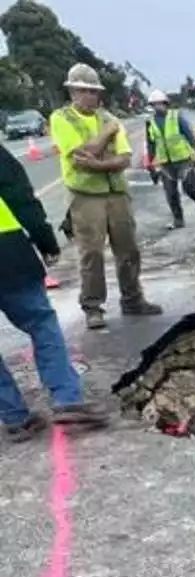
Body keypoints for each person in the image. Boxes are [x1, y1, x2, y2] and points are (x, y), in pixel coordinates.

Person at [0, 143, 110, 441]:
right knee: (41, 323)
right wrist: (46, 242)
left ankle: (15, 418)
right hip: (7, 256)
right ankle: (67, 400)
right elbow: (20, 199)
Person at [49, 63, 162, 331]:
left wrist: (98, 161)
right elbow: (79, 157)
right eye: (85, 91)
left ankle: (133, 299)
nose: (92, 97)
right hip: (86, 195)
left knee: (128, 249)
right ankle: (92, 306)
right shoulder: (63, 118)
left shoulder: (108, 117)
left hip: (116, 192)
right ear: (73, 92)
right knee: (92, 252)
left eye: (94, 91)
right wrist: (106, 137)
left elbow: (123, 158)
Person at [144, 89, 195, 230]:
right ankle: (178, 220)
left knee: (191, 189)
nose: (157, 107)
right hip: (165, 163)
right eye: (154, 105)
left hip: (183, 160)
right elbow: (151, 144)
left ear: (166, 104)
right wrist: (150, 165)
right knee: (171, 194)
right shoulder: (150, 123)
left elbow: (189, 135)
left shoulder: (176, 117)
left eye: (160, 104)